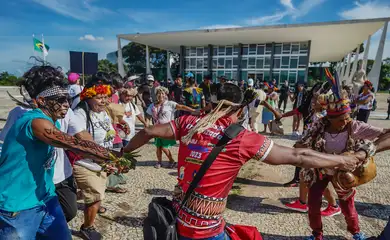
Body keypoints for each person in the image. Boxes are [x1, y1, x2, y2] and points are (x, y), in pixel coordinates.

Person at [123, 83, 361, 240]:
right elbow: (298, 156)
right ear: (238, 108)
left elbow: (149, 131)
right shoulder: (241, 138)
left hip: (178, 220)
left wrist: (122, 154)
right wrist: (340, 160)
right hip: (205, 232)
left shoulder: (187, 123)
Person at [0, 64, 119, 240]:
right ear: (41, 101)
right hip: (17, 205)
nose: (66, 105)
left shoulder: (54, 119)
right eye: (59, 100)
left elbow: (82, 137)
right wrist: (112, 156)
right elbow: (73, 144)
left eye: (67, 99)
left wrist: (106, 160)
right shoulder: (34, 121)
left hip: (45, 198)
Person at [297, 82, 390, 240]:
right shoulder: (318, 126)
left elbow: (385, 133)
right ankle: (317, 234)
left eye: (347, 118)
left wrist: (366, 151)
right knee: (313, 203)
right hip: (321, 170)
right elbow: (300, 144)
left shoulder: (354, 126)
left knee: (348, 206)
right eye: (341, 120)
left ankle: (356, 232)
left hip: (343, 173)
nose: (346, 122)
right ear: (329, 119)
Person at [68, 75, 117, 239]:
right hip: (85, 163)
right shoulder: (80, 113)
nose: (104, 101)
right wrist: (106, 158)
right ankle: (86, 227)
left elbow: (108, 132)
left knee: (97, 193)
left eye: (105, 97)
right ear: (88, 97)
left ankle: (84, 199)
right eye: (99, 97)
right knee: (96, 195)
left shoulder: (103, 113)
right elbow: (83, 138)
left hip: (102, 162)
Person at [283, 91, 341, 217]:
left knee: (320, 180)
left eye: (316, 100)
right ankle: (302, 202)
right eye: (314, 99)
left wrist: (304, 145)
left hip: (317, 153)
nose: (313, 102)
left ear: (324, 104)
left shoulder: (322, 117)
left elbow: (317, 136)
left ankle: (334, 206)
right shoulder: (317, 114)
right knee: (304, 176)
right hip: (312, 151)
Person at [146, 86, 196, 168]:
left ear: (165, 94)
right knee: (158, 147)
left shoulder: (170, 104)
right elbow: (148, 116)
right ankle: (159, 162)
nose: (160, 95)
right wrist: (147, 125)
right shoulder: (153, 105)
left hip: (167, 129)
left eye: (162, 93)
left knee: (164, 147)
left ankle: (172, 160)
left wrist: (193, 111)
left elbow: (181, 107)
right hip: (156, 129)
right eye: (158, 93)